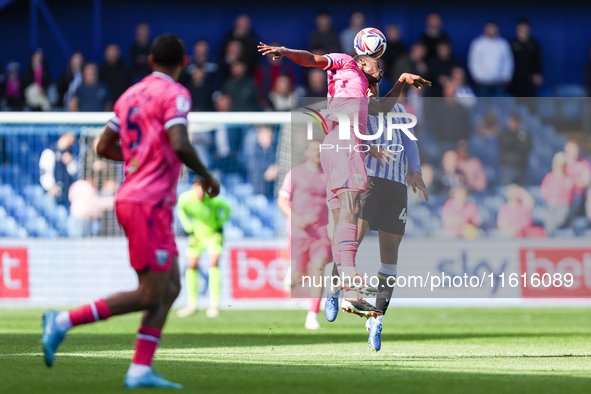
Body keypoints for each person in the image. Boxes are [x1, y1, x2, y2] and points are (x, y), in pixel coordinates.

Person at [41, 34, 220, 389]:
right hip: (146, 202)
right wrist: (207, 175)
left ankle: (140, 369)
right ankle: (61, 321)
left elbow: (103, 145)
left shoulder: (129, 96)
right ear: (183, 62)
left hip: (142, 198)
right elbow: (181, 141)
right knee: (150, 293)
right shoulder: (176, 94)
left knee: (170, 287)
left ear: (151, 61)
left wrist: (140, 156)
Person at [258, 40, 430, 318]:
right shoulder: (346, 63)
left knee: (343, 217)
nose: (381, 69)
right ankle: (348, 281)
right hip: (343, 144)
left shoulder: (362, 92)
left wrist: (400, 81)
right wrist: (288, 53)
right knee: (350, 211)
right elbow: (312, 59)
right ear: (362, 60)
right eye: (377, 63)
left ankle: (348, 291)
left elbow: (384, 107)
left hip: (343, 146)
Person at [356, 83, 428, 351]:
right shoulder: (359, 108)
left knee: (390, 254)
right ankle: (336, 290)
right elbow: (349, 138)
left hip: (396, 187)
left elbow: (409, 141)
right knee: (355, 237)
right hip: (368, 183)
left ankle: (377, 319)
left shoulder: (399, 110)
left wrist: (417, 171)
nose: (373, 88)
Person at [278, 140, 332, 330]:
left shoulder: (329, 176)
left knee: (318, 270)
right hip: (299, 233)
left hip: (321, 233)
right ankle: (292, 276)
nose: (318, 153)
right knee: (300, 275)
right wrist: (296, 218)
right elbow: (282, 200)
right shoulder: (295, 174)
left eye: (321, 150)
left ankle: (312, 316)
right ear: (306, 152)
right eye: (314, 149)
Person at [176, 178, 231, 319]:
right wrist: (188, 227)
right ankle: (192, 305)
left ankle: (214, 305)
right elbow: (180, 210)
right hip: (196, 235)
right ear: (193, 188)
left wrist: (220, 224)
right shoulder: (186, 199)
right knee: (191, 265)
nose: (200, 194)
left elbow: (228, 209)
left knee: (214, 264)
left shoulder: (214, 199)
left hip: (213, 234)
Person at [468, 22, 514, 96]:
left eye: (493, 28)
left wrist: (506, 76)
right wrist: (477, 77)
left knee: (499, 104)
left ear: (497, 29)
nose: (491, 30)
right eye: (489, 28)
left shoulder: (503, 44)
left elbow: (508, 61)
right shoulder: (478, 43)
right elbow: (473, 61)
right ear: (485, 29)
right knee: (483, 105)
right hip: (483, 81)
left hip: (499, 81)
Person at [39, 132, 78, 209]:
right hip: (53, 194)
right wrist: (50, 187)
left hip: (66, 193)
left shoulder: (70, 153)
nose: (71, 144)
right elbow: (45, 172)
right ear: (63, 136)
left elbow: (74, 172)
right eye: (70, 140)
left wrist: (70, 162)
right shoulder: (50, 151)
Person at [541, 152, 574, 234]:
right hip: (552, 207)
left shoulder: (568, 179)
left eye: (564, 164)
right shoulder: (549, 177)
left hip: (565, 207)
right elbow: (544, 192)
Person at [509, 19, 543, 98]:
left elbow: (538, 59)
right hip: (515, 79)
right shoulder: (512, 43)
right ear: (517, 29)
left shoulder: (533, 43)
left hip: (530, 78)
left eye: (525, 28)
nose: (523, 30)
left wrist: (538, 74)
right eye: (521, 28)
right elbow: (507, 62)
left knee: (530, 100)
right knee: (516, 101)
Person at [244, 125, 278, 198]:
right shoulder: (252, 150)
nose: (270, 139)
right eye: (267, 136)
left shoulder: (274, 149)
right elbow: (254, 167)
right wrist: (271, 169)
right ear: (259, 136)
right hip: (257, 192)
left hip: (272, 193)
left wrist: (276, 167)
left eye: (271, 136)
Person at [499, 113, 531, 185]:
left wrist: (517, 141)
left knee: (521, 192)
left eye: (516, 122)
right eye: (513, 122)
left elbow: (527, 146)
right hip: (508, 168)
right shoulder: (505, 133)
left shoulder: (523, 133)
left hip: (521, 168)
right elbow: (506, 143)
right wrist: (518, 140)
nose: (514, 124)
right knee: (506, 191)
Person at [564, 139, 591, 215]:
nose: (575, 152)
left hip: (579, 194)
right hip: (564, 195)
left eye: (576, 149)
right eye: (572, 149)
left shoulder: (583, 162)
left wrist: (573, 182)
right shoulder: (562, 162)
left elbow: (587, 180)